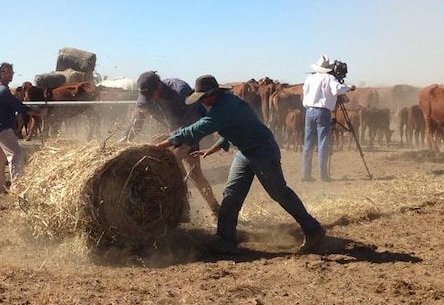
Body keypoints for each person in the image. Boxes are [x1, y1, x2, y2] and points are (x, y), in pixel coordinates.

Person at [156, 75, 326, 254]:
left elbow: (198, 128)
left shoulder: (225, 107)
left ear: (213, 94)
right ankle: (226, 238)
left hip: (262, 151)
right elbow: (232, 128)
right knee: (231, 194)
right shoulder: (225, 104)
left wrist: (164, 143)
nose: (203, 102)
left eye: (204, 98)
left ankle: (313, 229)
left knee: (279, 193)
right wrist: (213, 149)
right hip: (245, 152)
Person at [123, 71, 220, 216]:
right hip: (174, 131)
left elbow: (192, 124)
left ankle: (213, 209)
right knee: (175, 167)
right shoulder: (146, 95)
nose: (148, 99)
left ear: (159, 87)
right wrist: (125, 138)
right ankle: (183, 206)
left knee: (192, 171)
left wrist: (171, 137)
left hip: (192, 129)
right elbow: (138, 119)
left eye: (151, 95)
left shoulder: (180, 91)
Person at [0, 62, 45, 196]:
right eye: (9, 72)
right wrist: (37, 113)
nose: (12, 74)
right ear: (1, 73)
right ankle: (17, 189)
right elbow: (18, 106)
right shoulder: (3, 90)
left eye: (12, 72)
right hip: (3, 128)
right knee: (16, 155)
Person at [302, 55, 356, 182]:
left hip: (309, 111)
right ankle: (323, 174)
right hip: (323, 112)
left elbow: (304, 92)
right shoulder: (329, 78)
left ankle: (306, 174)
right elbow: (337, 89)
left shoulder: (310, 78)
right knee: (323, 143)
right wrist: (350, 87)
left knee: (308, 143)